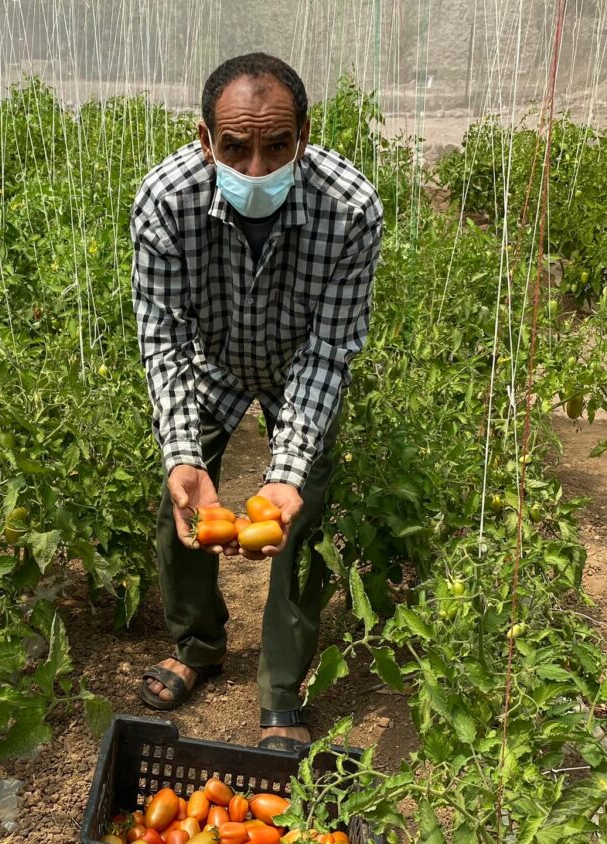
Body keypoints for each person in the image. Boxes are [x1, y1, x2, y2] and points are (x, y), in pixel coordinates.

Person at [129, 52, 383, 751]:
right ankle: (199, 642)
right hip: (208, 362)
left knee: (301, 522)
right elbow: (164, 337)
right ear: (205, 139)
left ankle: (280, 686)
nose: (255, 168)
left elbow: (330, 351)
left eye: (277, 146)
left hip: (298, 363)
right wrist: (183, 456)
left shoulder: (350, 208)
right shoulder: (165, 200)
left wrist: (288, 468)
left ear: (305, 134)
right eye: (234, 147)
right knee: (183, 504)